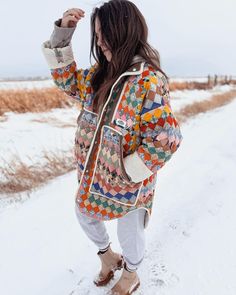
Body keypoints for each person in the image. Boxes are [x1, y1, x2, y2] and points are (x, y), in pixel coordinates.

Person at [42, 0, 183, 294]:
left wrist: (127, 172)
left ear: (125, 32)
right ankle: (107, 257)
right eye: (97, 36)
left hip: (130, 183)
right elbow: (67, 81)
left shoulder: (148, 81)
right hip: (94, 174)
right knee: (84, 213)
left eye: (106, 35)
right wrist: (63, 34)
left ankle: (130, 274)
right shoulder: (98, 75)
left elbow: (165, 140)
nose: (101, 42)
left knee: (130, 233)